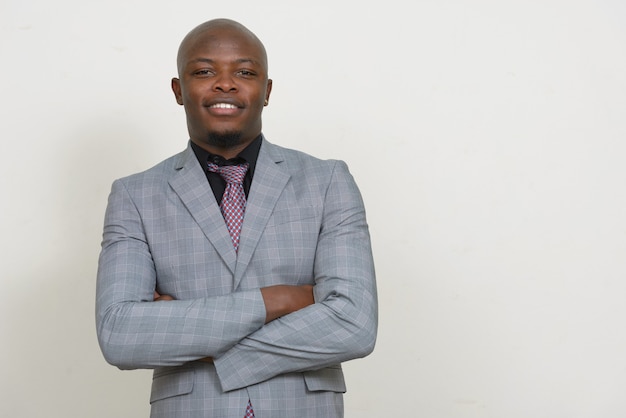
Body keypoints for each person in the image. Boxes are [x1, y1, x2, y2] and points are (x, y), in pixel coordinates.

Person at [96, 18, 377, 418]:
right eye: (204, 71)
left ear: (267, 91)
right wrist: (280, 299)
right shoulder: (135, 195)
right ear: (179, 90)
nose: (225, 84)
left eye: (244, 72)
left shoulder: (328, 181)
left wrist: (202, 341)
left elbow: (355, 323)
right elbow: (120, 334)